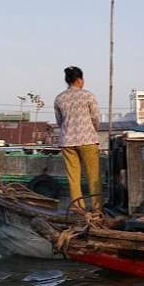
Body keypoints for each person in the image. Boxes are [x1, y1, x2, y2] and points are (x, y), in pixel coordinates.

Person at [54, 66, 102, 213]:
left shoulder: (59, 98)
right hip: (87, 139)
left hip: (67, 141)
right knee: (93, 176)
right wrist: (93, 129)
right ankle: (97, 209)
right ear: (80, 80)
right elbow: (95, 118)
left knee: (73, 178)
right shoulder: (88, 95)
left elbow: (59, 121)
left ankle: (78, 209)